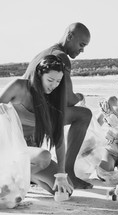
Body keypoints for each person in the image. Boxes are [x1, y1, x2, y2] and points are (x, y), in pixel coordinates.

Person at [0, 55, 73, 196]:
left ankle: (30, 176)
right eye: (50, 80)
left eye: (58, 81)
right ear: (39, 75)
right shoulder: (19, 87)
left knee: (65, 191)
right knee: (44, 156)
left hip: (29, 156)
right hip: (9, 149)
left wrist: (61, 175)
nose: (54, 85)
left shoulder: (54, 101)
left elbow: (59, 139)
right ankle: (7, 180)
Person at [23, 22, 93, 189]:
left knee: (56, 188)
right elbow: (68, 99)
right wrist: (80, 97)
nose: (82, 50)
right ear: (70, 37)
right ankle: (69, 171)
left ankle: (31, 173)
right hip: (37, 119)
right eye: (81, 45)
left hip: (25, 123)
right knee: (84, 115)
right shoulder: (61, 57)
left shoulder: (44, 53)